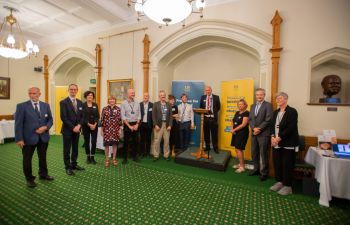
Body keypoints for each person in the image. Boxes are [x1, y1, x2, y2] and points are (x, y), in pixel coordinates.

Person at [15, 87, 54, 188]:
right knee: (27, 159)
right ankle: (29, 179)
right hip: (28, 138)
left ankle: (43, 174)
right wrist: (19, 139)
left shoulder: (45, 105)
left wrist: (46, 127)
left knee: (43, 157)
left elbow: (50, 119)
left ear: (39, 94)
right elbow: (18, 124)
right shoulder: (21, 106)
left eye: (34, 93)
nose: (32, 95)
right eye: (30, 93)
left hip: (43, 137)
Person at [270, 92, 299, 195]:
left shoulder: (292, 112)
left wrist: (278, 138)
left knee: (287, 164)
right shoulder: (275, 112)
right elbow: (272, 126)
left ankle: (288, 186)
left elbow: (290, 128)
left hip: (288, 142)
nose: (278, 100)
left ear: (286, 99)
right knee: (277, 163)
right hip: (276, 143)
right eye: (277, 98)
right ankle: (280, 182)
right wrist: (273, 137)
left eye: (280, 98)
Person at [248, 88, 273, 181]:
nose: (259, 96)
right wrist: (253, 128)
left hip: (263, 134)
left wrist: (259, 129)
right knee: (254, 153)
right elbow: (250, 119)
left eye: (261, 94)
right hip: (254, 133)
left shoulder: (268, 105)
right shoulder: (252, 106)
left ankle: (264, 173)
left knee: (263, 154)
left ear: (264, 95)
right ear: (256, 95)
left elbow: (269, 119)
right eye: (257, 94)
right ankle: (256, 169)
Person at [60, 84, 85, 176]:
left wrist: (79, 126)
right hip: (67, 130)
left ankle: (74, 164)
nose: (73, 91)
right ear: (68, 90)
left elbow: (82, 117)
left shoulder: (80, 102)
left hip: (77, 130)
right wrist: (73, 127)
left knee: (75, 148)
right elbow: (63, 117)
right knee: (67, 149)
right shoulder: (63, 102)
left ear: (77, 90)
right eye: (71, 89)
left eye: (75, 89)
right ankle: (67, 167)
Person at [121, 88, 141, 164]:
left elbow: (139, 115)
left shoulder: (137, 103)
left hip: (136, 124)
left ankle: (135, 156)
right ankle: (125, 158)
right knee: (126, 142)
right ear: (128, 94)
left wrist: (137, 124)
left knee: (136, 141)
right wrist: (129, 126)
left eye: (134, 93)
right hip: (127, 124)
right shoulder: (123, 103)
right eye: (131, 93)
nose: (133, 94)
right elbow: (123, 116)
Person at [100, 96, 122, 167]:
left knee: (115, 145)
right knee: (106, 145)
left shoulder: (118, 109)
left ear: (115, 101)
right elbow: (102, 120)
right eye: (110, 99)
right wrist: (101, 130)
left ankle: (114, 159)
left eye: (113, 99)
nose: (112, 101)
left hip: (115, 129)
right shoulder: (104, 109)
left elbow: (120, 120)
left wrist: (120, 129)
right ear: (108, 101)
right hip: (107, 129)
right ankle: (107, 160)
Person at [152, 90, 173, 161]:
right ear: (159, 97)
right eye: (161, 95)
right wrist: (155, 125)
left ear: (165, 96)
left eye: (164, 95)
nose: (163, 96)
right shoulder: (155, 104)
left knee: (166, 141)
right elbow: (153, 116)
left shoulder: (168, 104)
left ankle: (166, 155)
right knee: (157, 141)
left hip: (166, 125)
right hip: (158, 125)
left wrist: (170, 125)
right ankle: (156, 155)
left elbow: (171, 116)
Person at [200, 86, 221, 153]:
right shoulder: (202, 97)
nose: (207, 91)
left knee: (214, 134)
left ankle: (215, 148)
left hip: (213, 119)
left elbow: (218, 107)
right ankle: (208, 147)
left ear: (211, 90)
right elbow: (201, 107)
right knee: (206, 134)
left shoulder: (216, 97)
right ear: (205, 91)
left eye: (208, 90)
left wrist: (212, 113)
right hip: (205, 118)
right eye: (206, 90)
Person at [231, 99, 249, 173]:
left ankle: (242, 167)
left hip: (242, 133)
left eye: (241, 104)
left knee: (239, 149)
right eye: (239, 104)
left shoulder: (247, 113)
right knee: (236, 148)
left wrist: (234, 130)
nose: (240, 105)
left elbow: (243, 124)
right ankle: (240, 164)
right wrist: (232, 129)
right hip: (235, 132)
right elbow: (232, 121)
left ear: (245, 105)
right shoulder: (237, 112)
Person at [82, 91, 99, 164]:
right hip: (86, 126)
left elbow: (97, 116)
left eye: (91, 95)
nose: (90, 96)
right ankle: (88, 157)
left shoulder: (95, 105)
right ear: (86, 96)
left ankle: (92, 157)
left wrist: (95, 124)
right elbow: (83, 117)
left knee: (94, 141)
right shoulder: (83, 105)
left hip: (94, 126)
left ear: (93, 97)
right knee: (87, 141)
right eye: (88, 95)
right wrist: (89, 124)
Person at [140, 92, 153, 157]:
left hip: (149, 124)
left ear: (148, 97)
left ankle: (148, 152)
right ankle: (142, 152)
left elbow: (153, 116)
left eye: (147, 96)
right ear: (143, 97)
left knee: (148, 139)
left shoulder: (152, 105)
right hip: (142, 124)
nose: (146, 97)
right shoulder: (140, 104)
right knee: (142, 139)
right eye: (145, 96)